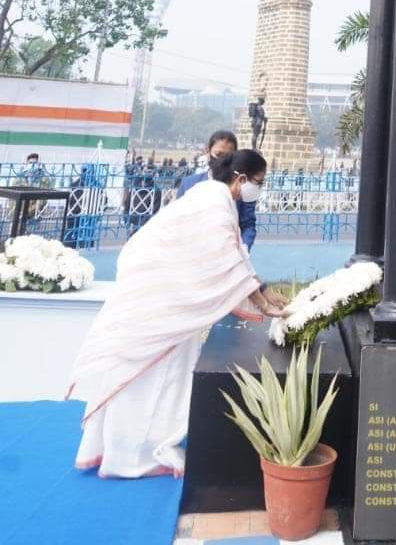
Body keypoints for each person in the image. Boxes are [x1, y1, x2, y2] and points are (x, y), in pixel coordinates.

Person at [67, 149, 285, 478]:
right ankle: (130, 456)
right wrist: (263, 301)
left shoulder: (213, 198)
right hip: (160, 299)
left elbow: (235, 256)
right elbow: (225, 256)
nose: (260, 189)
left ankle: (151, 444)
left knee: (171, 372)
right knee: (149, 374)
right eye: (259, 182)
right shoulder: (214, 201)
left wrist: (264, 293)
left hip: (172, 300)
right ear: (241, 179)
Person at [178, 128, 258, 250]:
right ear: (208, 151)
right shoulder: (189, 184)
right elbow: (178, 220)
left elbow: (248, 225)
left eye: (227, 156)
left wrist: (243, 249)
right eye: (218, 154)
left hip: (228, 255)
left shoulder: (244, 188)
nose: (222, 160)